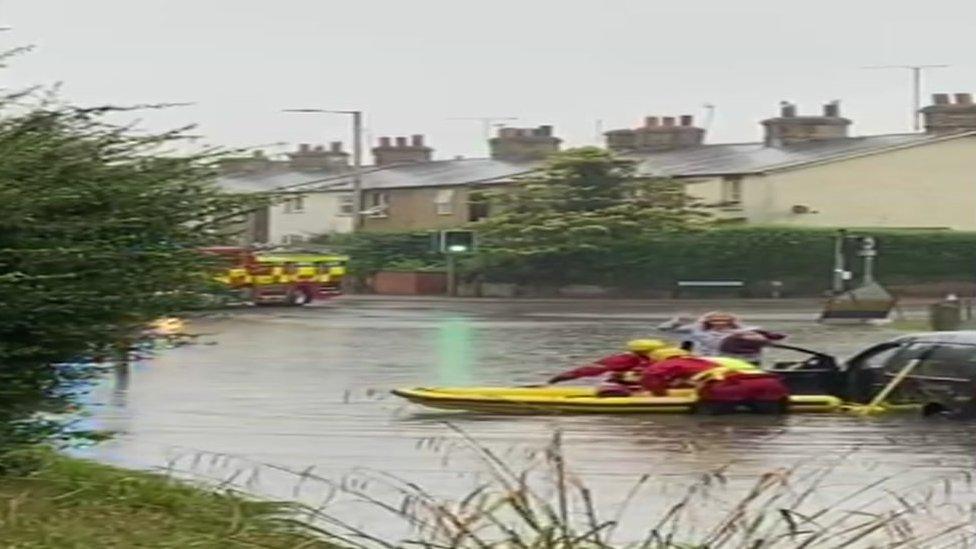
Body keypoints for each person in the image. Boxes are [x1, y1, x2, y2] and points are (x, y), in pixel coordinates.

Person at [640, 347, 791, 414]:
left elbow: (652, 378)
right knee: (769, 421)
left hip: (727, 388)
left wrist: (660, 395)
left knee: (711, 421)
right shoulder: (705, 362)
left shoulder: (664, 364)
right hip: (768, 383)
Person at [548, 339, 667, 396]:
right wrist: (564, 377)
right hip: (624, 388)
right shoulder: (625, 359)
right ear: (645, 351)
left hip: (646, 388)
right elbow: (592, 369)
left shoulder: (655, 359)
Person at [657, 311, 785, 363]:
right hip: (714, 360)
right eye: (715, 320)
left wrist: (763, 337)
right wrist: (675, 322)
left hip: (745, 360)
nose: (719, 322)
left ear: (730, 321)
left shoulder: (742, 330)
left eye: (723, 320)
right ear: (708, 321)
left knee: (752, 334)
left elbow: (751, 332)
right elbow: (664, 329)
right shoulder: (696, 330)